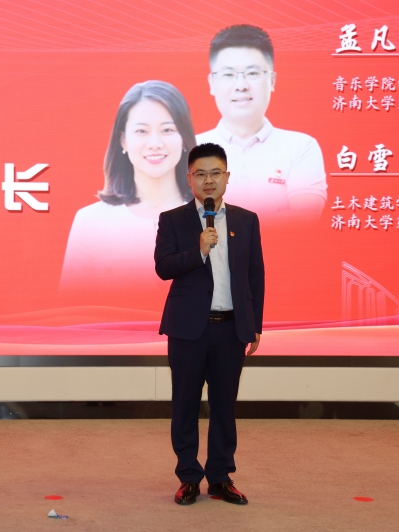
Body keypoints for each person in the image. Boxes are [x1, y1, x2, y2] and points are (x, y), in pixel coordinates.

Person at [155, 143, 265, 506]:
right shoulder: (173, 219)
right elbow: (163, 267)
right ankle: (188, 476)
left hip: (230, 328)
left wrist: (255, 324)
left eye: (215, 173)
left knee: (224, 406)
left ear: (227, 177)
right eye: (200, 174)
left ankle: (220, 477)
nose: (208, 181)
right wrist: (199, 250)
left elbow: (255, 275)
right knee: (185, 404)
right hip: (187, 330)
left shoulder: (247, 220)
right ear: (189, 179)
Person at [60, 80, 196, 298]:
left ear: (184, 139)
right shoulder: (91, 221)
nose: (155, 143)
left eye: (167, 130)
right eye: (141, 131)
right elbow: (73, 309)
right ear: (123, 140)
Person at [196, 25, 327, 219]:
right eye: (228, 75)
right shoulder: (188, 149)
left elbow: (304, 220)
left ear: (272, 80)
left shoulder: (300, 147)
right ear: (212, 83)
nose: (241, 85)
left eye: (252, 73)